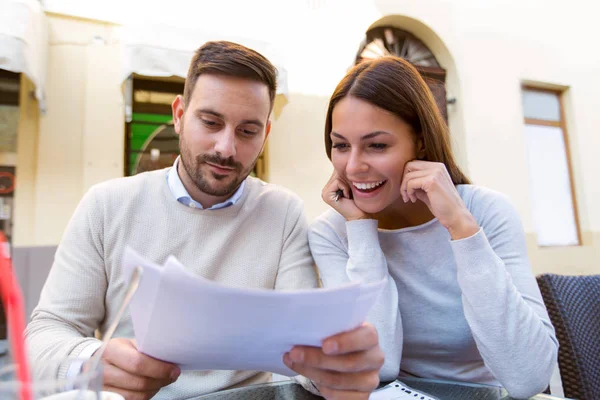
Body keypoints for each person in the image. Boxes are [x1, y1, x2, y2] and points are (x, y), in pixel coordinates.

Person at [26, 41, 383, 400]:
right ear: (179, 115)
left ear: (265, 135)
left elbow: (302, 351)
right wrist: (91, 362)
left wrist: (335, 372)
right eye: (210, 122)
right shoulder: (106, 205)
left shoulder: (283, 212)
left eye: (247, 131)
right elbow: (46, 333)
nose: (225, 148)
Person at [309, 56, 559, 399]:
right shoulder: (333, 231)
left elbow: (528, 376)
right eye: (340, 145)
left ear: (422, 142)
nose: (353, 167)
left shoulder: (485, 212)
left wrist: (461, 228)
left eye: (377, 145)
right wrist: (362, 228)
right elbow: (376, 367)